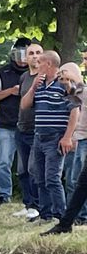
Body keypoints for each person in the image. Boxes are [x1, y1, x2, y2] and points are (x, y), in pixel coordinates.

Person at [20, 50, 79, 223]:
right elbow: (24, 106)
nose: (37, 65)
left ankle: (60, 216)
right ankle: (45, 215)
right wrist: (32, 88)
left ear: (49, 64)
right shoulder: (38, 84)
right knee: (39, 177)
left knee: (52, 178)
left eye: (40, 62)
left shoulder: (64, 84)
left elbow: (75, 110)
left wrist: (67, 137)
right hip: (39, 136)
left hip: (55, 137)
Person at [42, 62, 87, 235]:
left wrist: (75, 80)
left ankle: (67, 223)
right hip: (81, 139)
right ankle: (65, 224)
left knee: (80, 182)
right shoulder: (74, 92)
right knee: (81, 183)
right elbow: (74, 102)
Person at [0, 38, 34, 208]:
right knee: (4, 162)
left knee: (28, 166)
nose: (22, 59)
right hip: (7, 125)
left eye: (26, 54)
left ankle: (29, 197)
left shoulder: (35, 74)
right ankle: (4, 194)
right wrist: (11, 91)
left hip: (28, 125)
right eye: (19, 54)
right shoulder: (2, 72)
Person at [11, 41, 45, 218]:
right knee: (22, 169)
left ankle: (38, 206)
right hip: (21, 128)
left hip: (37, 129)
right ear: (26, 57)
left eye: (38, 52)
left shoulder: (45, 77)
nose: (35, 56)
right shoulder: (24, 77)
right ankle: (28, 203)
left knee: (34, 169)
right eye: (31, 53)